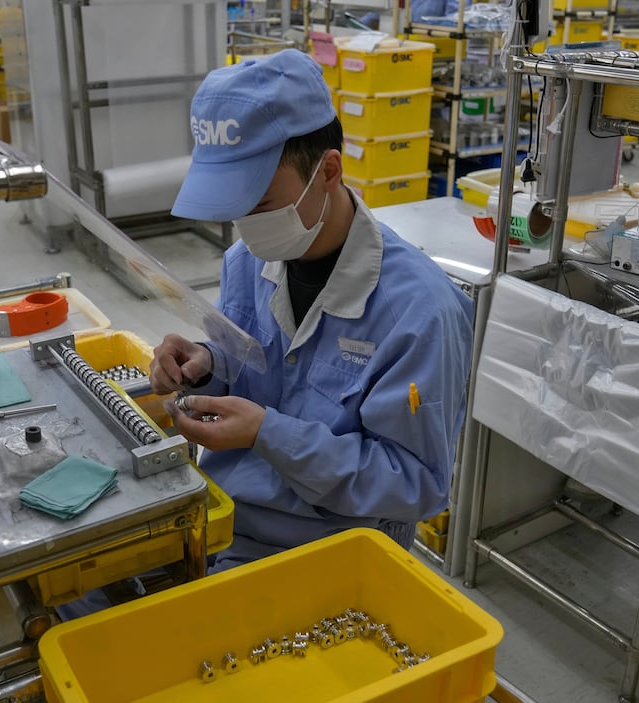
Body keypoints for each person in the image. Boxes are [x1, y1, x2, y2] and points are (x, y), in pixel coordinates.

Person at [150, 50, 474, 572]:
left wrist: (267, 434)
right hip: (225, 514)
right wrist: (207, 365)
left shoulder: (419, 313)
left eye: (258, 204)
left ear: (328, 170)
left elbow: (414, 484)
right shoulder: (245, 262)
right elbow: (253, 364)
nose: (244, 226)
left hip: (335, 547)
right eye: (232, 206)